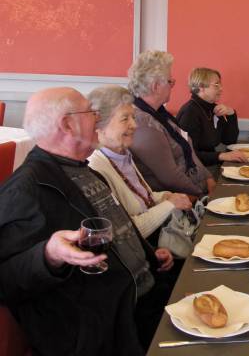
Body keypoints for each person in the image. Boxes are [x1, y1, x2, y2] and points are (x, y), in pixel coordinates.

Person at [0, 88, 177, 355]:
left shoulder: (85, 170)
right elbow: (6, 279)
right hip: (110, 328)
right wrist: (48, 255)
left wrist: (149, 255)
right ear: (67, 124)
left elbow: (119, 226)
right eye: (90, 112)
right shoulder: (26, 189)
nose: (97, 117)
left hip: (146, 294)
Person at [87, 85, 193, 241]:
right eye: (125, 119)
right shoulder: (95, 168)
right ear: (99, 126)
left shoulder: (123, 154)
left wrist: (163, 196)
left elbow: (142, 200)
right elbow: (123, 231)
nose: (134, 125)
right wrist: (169, 205)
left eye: (133, 117)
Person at [127, 50, 215, 197]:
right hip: (181, 200)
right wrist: (202, 194)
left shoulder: (160, 114)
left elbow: (188, 150)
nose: (172, 85)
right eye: (170, 81)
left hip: (194, 190)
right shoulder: (143, 123)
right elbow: (169, 176)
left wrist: (208, 178)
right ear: (155, 86)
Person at [176, 67, 248, 168]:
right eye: (216, 85)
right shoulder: (190, 112)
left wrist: (231, 114)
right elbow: (188, 154)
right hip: (198, 171)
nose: (221, 88)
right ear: (201, 87)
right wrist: (221, 156)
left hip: (210, 165)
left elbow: (229, 140)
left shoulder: (213, 108)